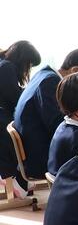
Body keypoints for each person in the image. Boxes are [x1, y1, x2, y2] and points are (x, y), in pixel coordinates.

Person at [13, 48, 78, 181]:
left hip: (35, 149)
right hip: (43, 158)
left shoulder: (44, 73)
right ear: (75, 71)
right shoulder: (51, 83)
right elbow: (59, 124)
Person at [0, 41, 41, 198]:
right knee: (29, 136)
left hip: (3, 116)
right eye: (29, 64)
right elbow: (15, 97)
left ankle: (19, 181)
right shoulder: (7, 67)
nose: (28, 69)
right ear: (23, 59)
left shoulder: (4, 65)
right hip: (2, 120)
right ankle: (20, 181)